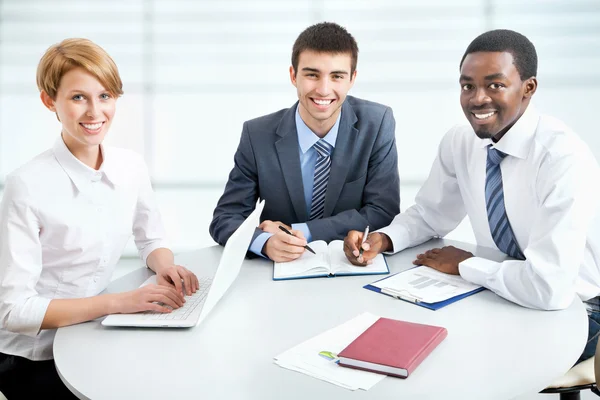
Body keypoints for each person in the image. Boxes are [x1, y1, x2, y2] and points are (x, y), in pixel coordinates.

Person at [343, 29, 600, 363]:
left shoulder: (562, 158)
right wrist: (383, 238)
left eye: (495, 85)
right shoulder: (461, 142)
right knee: (407, 337)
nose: (478, 98)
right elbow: (430, 214)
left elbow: (549, 288)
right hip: (504, 289)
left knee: (466, 358)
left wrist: (465, 264)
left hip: (579, 308)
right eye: (467, 86)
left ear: (528, 88)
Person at [0, 38, 199, 398]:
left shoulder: (130, 166)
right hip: (33, 358)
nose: (95, 112)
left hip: (92, 332)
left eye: (105, 96)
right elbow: (14, 312)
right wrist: (121, 304)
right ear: (50, 101)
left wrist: (165, 265)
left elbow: (151, 238)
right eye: (78, 98)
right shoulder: (25, 185)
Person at [209, 22, 400, 263]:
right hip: (278, 275)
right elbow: (226, 218)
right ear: (293, 76)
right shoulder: (257, 135)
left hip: (349, 270)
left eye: (337, 76)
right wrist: (264, 242)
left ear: (352, 79)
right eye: (312, 75)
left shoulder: (377, 123)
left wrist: (303, 231)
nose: (323, 89)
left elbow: (383, 212)